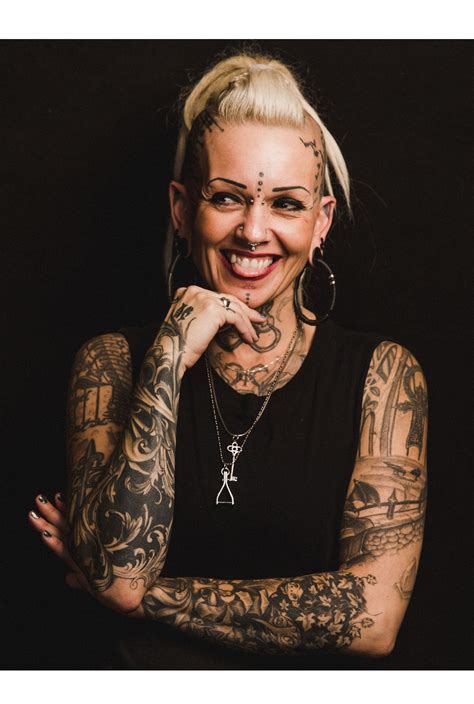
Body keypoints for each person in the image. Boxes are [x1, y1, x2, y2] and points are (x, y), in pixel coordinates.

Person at [28, 50, 428, 669]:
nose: (254, 231)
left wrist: (146, 599)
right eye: (226, 198)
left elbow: (373, 619)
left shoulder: (384, 376)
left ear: (321, 222)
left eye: (286, 204)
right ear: (182, 209)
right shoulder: (111, 363)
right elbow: (121, 568)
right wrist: (167, 356)